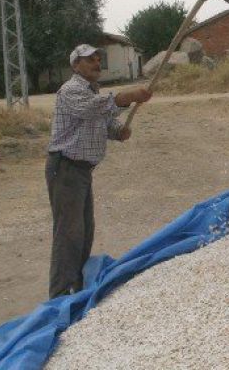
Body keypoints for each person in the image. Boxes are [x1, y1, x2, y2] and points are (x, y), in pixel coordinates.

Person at [45, 43, 152, 299]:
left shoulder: (93, 92)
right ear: (75, 65)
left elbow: (104, 121)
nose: (96, 63)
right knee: (68, 235)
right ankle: (59, 297)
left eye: (97, 59)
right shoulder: (71, 90)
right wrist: (127, 96)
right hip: (66, 169)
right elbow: (93, 108)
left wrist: (118, 131)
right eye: (89, 59)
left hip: (81, 172)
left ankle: (78, 289)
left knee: (84, 232)